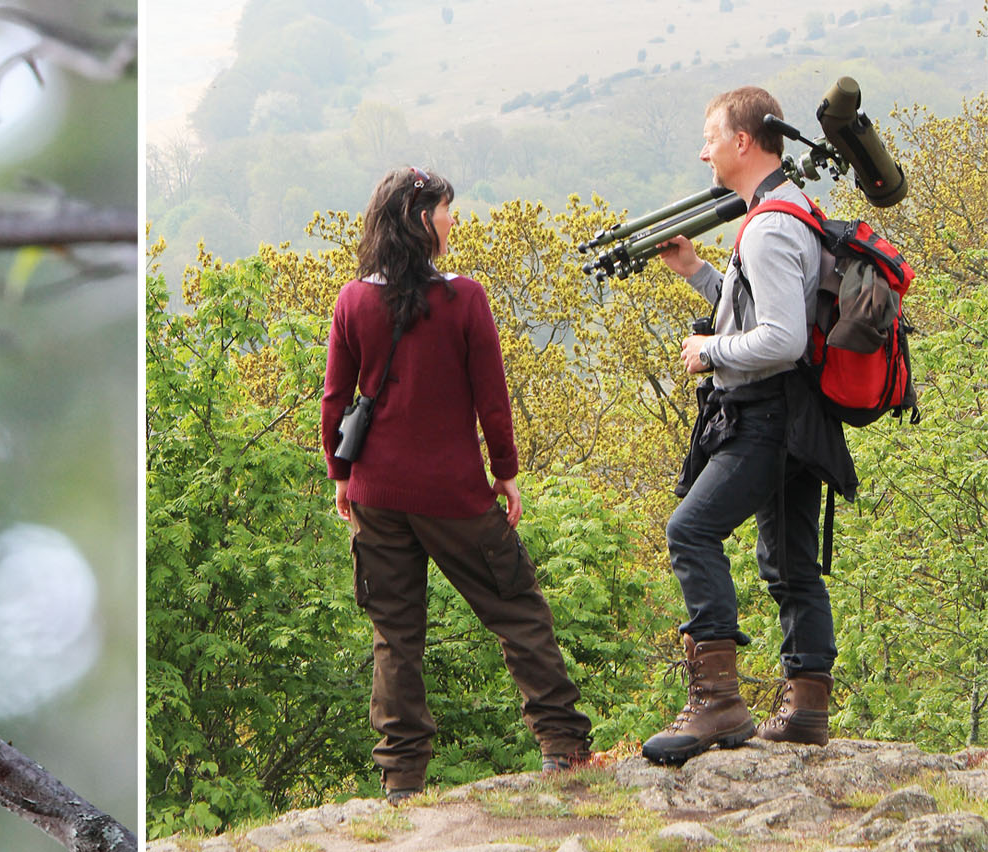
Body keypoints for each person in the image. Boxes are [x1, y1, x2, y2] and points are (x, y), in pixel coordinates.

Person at [320, 166, 593, 802]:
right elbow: (490, 399)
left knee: (396, 637)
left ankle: (402, 781)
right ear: (419, 219)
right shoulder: (463, 299)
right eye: (445, 209)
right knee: (517, 610)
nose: (452, 219)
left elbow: (335, 403)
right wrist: (505, 472)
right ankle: (562, 746)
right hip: (455, 494)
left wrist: (342, 475)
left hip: (377, 495)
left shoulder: (352, 300)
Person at [641, 86, 857, 767]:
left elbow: (780, 339)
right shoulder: (785, 211)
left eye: (711, 136)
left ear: (743, 142)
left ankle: (717, 704)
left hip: (765, 414)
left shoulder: (766, 226)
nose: (703, 150)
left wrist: (708, 352)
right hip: (801, 417)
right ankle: (806, 708)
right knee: (789, 562)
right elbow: (760, 310)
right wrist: (699, 273)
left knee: (691, 530)